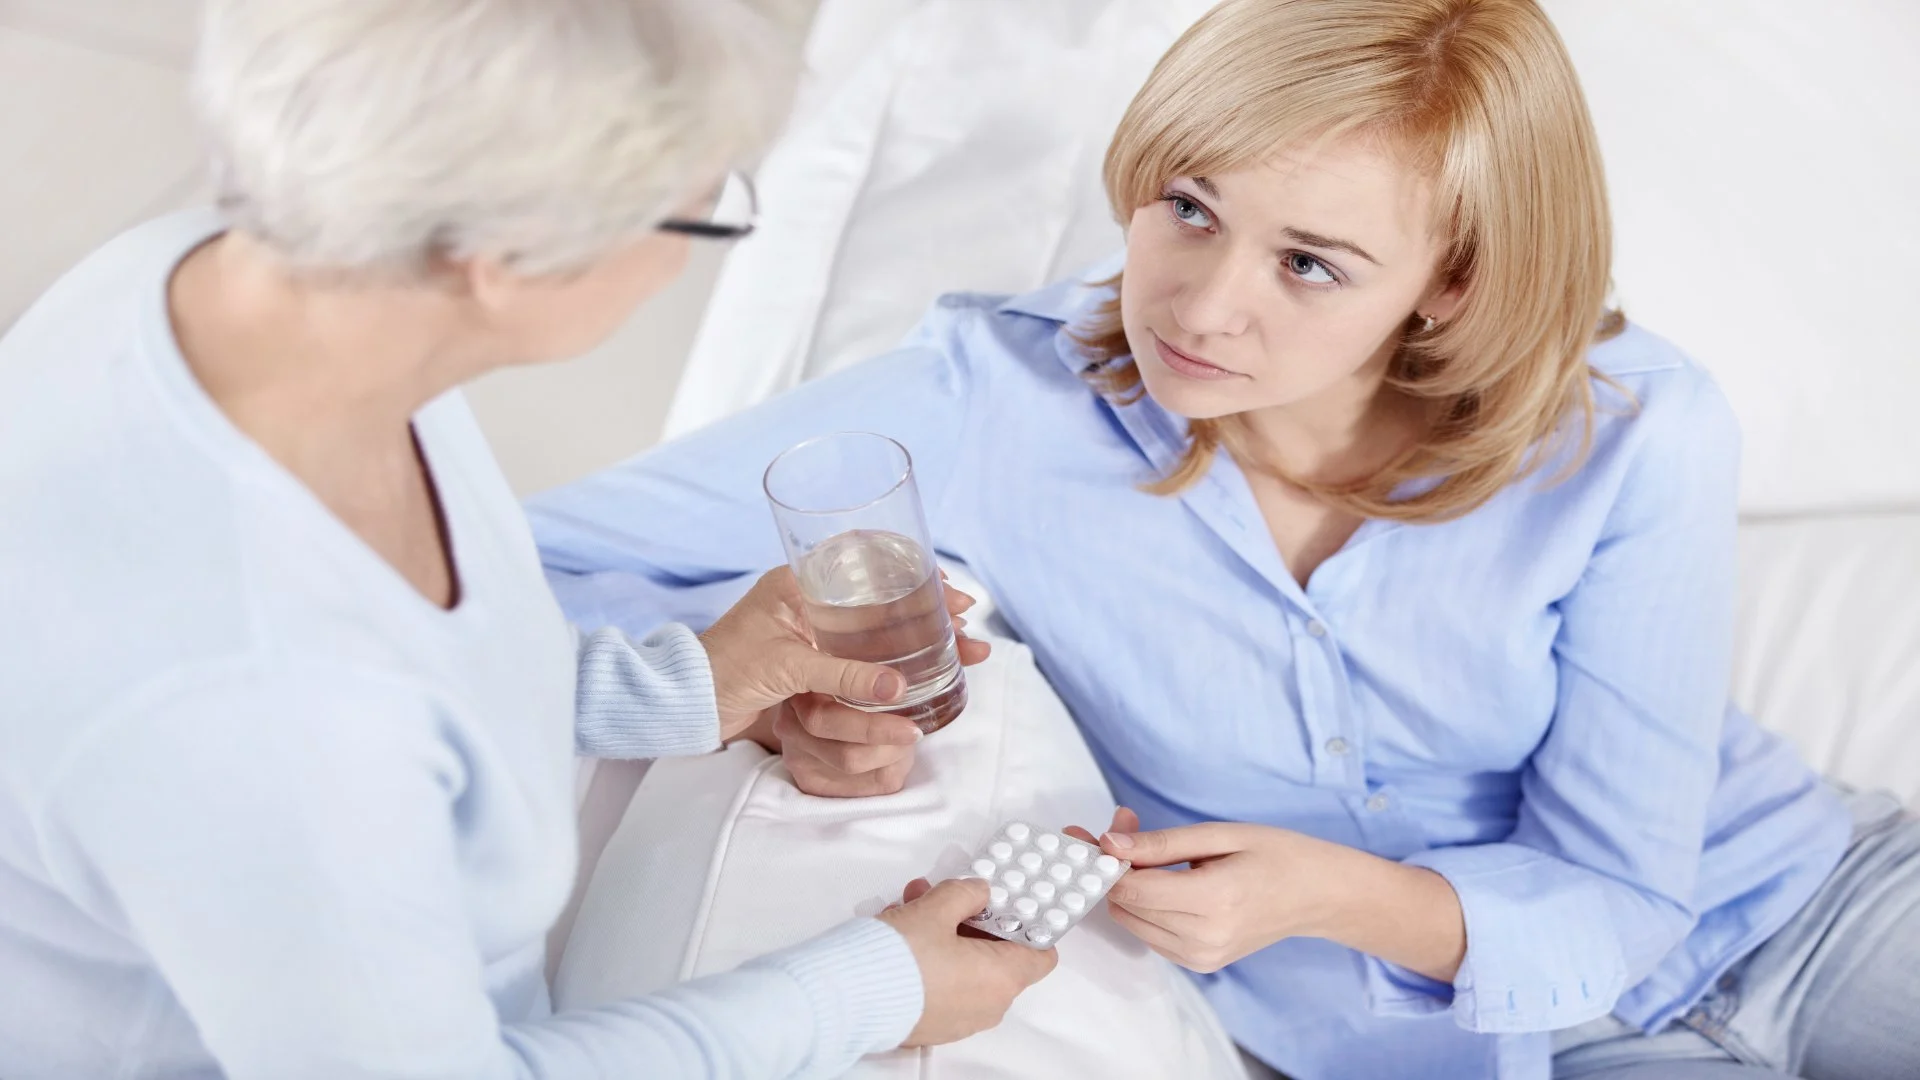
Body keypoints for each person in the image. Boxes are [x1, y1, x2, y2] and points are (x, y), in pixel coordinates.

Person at [526, 1, 1920, 1078]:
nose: (1199, 307)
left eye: (1307, 262)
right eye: (1188, 208)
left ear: (1449, 281)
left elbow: (1624, 891)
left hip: (1805, 898)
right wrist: (747, 694)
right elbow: (517, 567)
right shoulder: (984, 404)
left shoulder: (1629, 429)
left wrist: (1345, 895)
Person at [0, 2, 1057, 1078]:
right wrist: (875, 988)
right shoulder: (260, 704)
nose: (692, 247)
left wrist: (683, 690)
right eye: (701, 210)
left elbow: (406, 659)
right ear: (500, 260)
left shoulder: (233, 277)